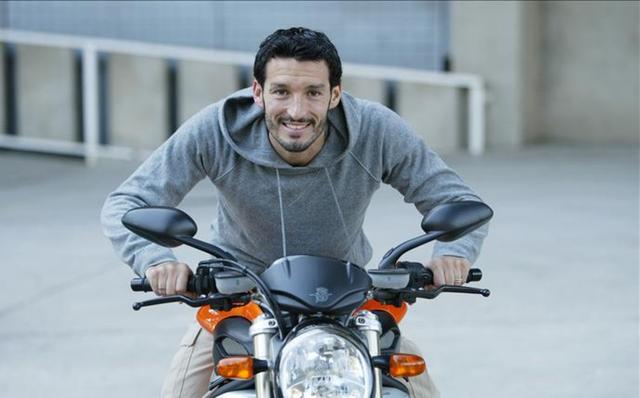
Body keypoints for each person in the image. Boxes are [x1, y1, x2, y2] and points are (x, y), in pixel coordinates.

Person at [101, 27, 489, 398]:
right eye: (281, 91)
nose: (297, 110)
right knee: (182, 391)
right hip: (240, 301)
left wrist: (452, 254)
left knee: (412, 388)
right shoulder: (217, 130)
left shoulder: (376, 130)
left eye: (313, 92)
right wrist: (155, 261)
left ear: (335, 94)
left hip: (346, 303)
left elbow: (456, 202)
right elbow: (126, 204)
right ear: (258, 91)